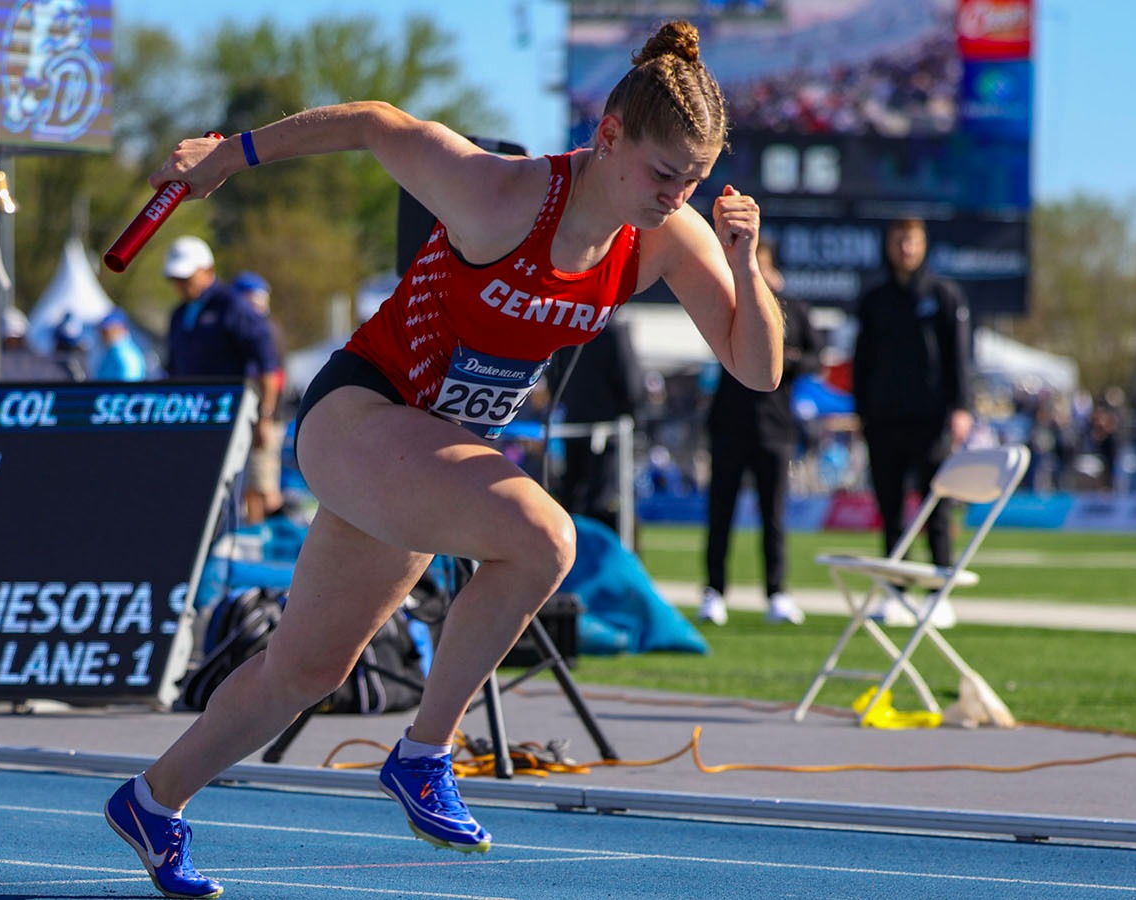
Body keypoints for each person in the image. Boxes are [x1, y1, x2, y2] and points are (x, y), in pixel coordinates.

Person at [103, 20, 783, 899]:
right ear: (607, 136)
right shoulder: (498, 196)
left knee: (306, 671)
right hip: (362, 414)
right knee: (545, 537)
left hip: (426, 456)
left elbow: (757, 368)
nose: (675, 196)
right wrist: (231, 154)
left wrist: (743, 257)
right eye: (663, 173)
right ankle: (423, 754)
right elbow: (380, 122)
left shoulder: (667, 236)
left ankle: (152, 803)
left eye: (693, 179)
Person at [850, 217, 973, 627]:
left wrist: (961, 407)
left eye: (912, 240)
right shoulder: (874, 299)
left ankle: (940, 594)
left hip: (932, 419)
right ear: (888, 245)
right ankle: (896, 591)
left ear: (923, 245)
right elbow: (862, 361)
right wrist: (861, 410)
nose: (905, 247)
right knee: (891, 510)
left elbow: (959, 356)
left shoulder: (943, 295)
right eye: (899, 239)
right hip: (884, 420)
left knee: (935, 505)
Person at [697, 239, 821, 626]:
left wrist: (786, 357)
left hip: (774, 427)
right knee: (721, 513)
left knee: (774, 517)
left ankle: (777, 593)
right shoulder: (730, 301)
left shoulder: (795, 308)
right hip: (730, 424)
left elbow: (816, 357)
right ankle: (714, 591)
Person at [161, 236, 285, 529]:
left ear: (206, 270)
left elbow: (267, 365)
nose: (181, 285)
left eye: (186, 278)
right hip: (193, 419)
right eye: (176, 279)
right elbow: (173, 370)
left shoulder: (233, 308)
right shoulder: (180, 314)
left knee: (247, 489)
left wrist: (264, 417)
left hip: (232, 417)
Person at [546, 313, 643, 537]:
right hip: (608, 430)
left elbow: (554, 379)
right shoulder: (613, 331)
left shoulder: (569, 326)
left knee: (571, 496)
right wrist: (632, 415)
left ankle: (571, 554)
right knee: (600, 499)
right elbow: (631, 384)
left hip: (576, 425)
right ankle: (591, 558)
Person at [231, 270, 291, 522]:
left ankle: (271, 538)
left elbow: (274, 377)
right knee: (254, 486)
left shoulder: (265, 330)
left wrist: (265, 418)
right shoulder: (260, 328)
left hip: (267, 418)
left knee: (261, 487)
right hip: (262, 416)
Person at [94, 308, 147, 381]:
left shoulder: (126, 355)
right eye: (103, 331)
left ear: (121, 328)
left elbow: (126, 388)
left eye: (108, 331)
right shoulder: (112, 352)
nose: (103, 335)